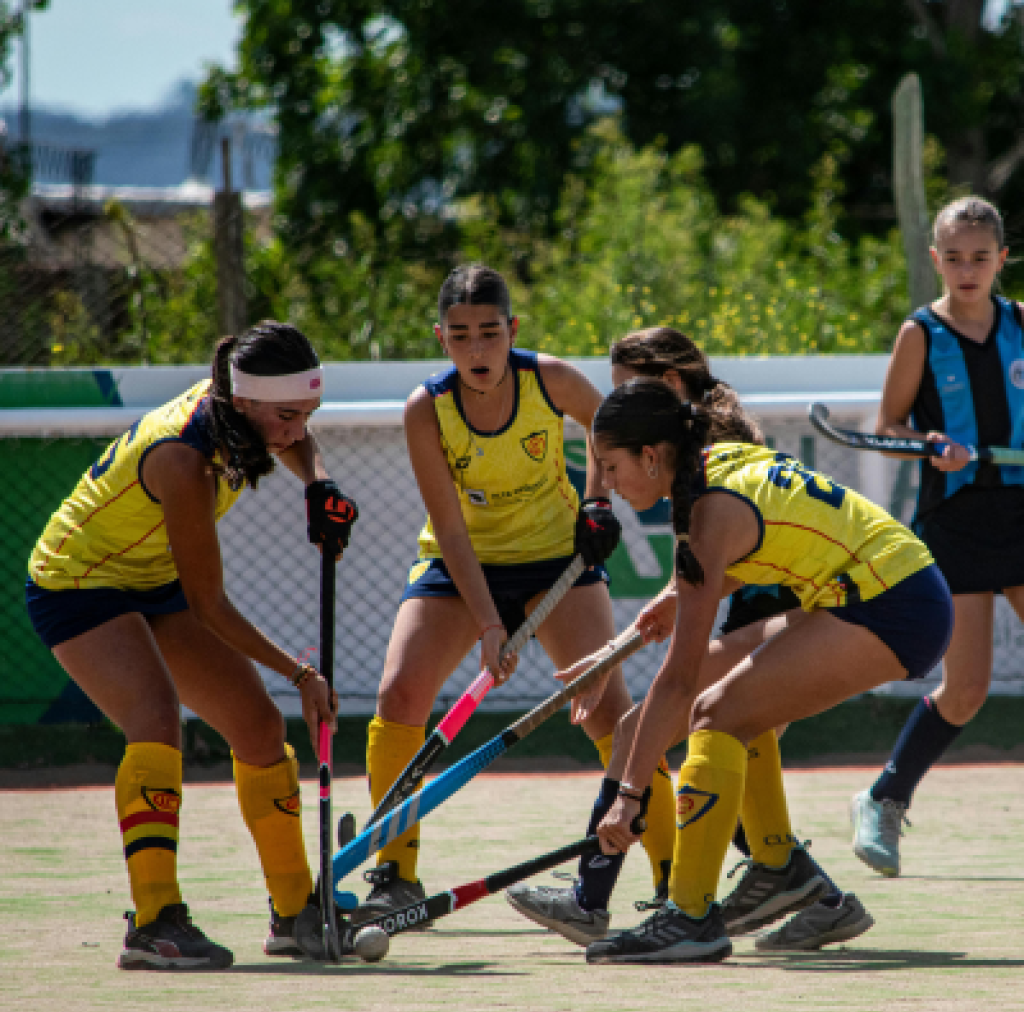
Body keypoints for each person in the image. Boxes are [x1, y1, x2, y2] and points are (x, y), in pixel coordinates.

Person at [506, 327, 872, 952]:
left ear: (670, 385)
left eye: (629, 390)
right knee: (728, 736)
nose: (620, 406)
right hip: (761, 591)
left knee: (679, 729)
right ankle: (799, 881)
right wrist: (652, 615)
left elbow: (714, 559)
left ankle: (601, 900)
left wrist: (670, 606)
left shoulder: (696, 449)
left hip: (776, 596)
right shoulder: (698, 429)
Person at [576, 377, 951, 964]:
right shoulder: (716, 461)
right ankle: (777, 867)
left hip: (892, 604)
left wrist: (629, 796)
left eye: (611, 466)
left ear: (651, 457)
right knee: (720, 703)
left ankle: (691, 917)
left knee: (713, 711)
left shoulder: (705, 516)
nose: (609, 485)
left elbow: (676, 679)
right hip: (875, 586)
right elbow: (765, 538)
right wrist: (641, 628)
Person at [25, 321, 358, 970]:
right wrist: (301, 672)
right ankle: (154, 924)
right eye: (286, 416)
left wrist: (317, 483)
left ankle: (297, 913)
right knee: (155, 718)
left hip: (151, 578)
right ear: (243, 402)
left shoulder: (239, 408)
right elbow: (209, 607)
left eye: (307, 414)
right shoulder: (182, 460)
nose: (295, 430)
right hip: (78, 586)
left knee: (259, 727)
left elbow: (294, 436)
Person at [349, 265, 677, 924]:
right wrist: (489, 624)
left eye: (490, 334)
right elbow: (448, 527)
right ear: (441, 337)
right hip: (459, 565)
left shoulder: (548, 379)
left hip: (559, 560)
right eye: (462, 336)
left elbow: (610, 421)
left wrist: (597, 498)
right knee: (399, 695)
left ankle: (677, 883)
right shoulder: (426, 409)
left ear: (512, 331)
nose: (477, 351)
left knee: (612, 712)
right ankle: (394, 872)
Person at [850, 196, 1024, 876]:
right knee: (967, 690)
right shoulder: (921, 333)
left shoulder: (1020, 324)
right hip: (956, 522)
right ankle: (885, 797)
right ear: (936, 261)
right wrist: (927, 444)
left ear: (1002, 259)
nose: (967, 268)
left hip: (1021, 514)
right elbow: (887, 427)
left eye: (980, 257)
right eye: (953, 257)